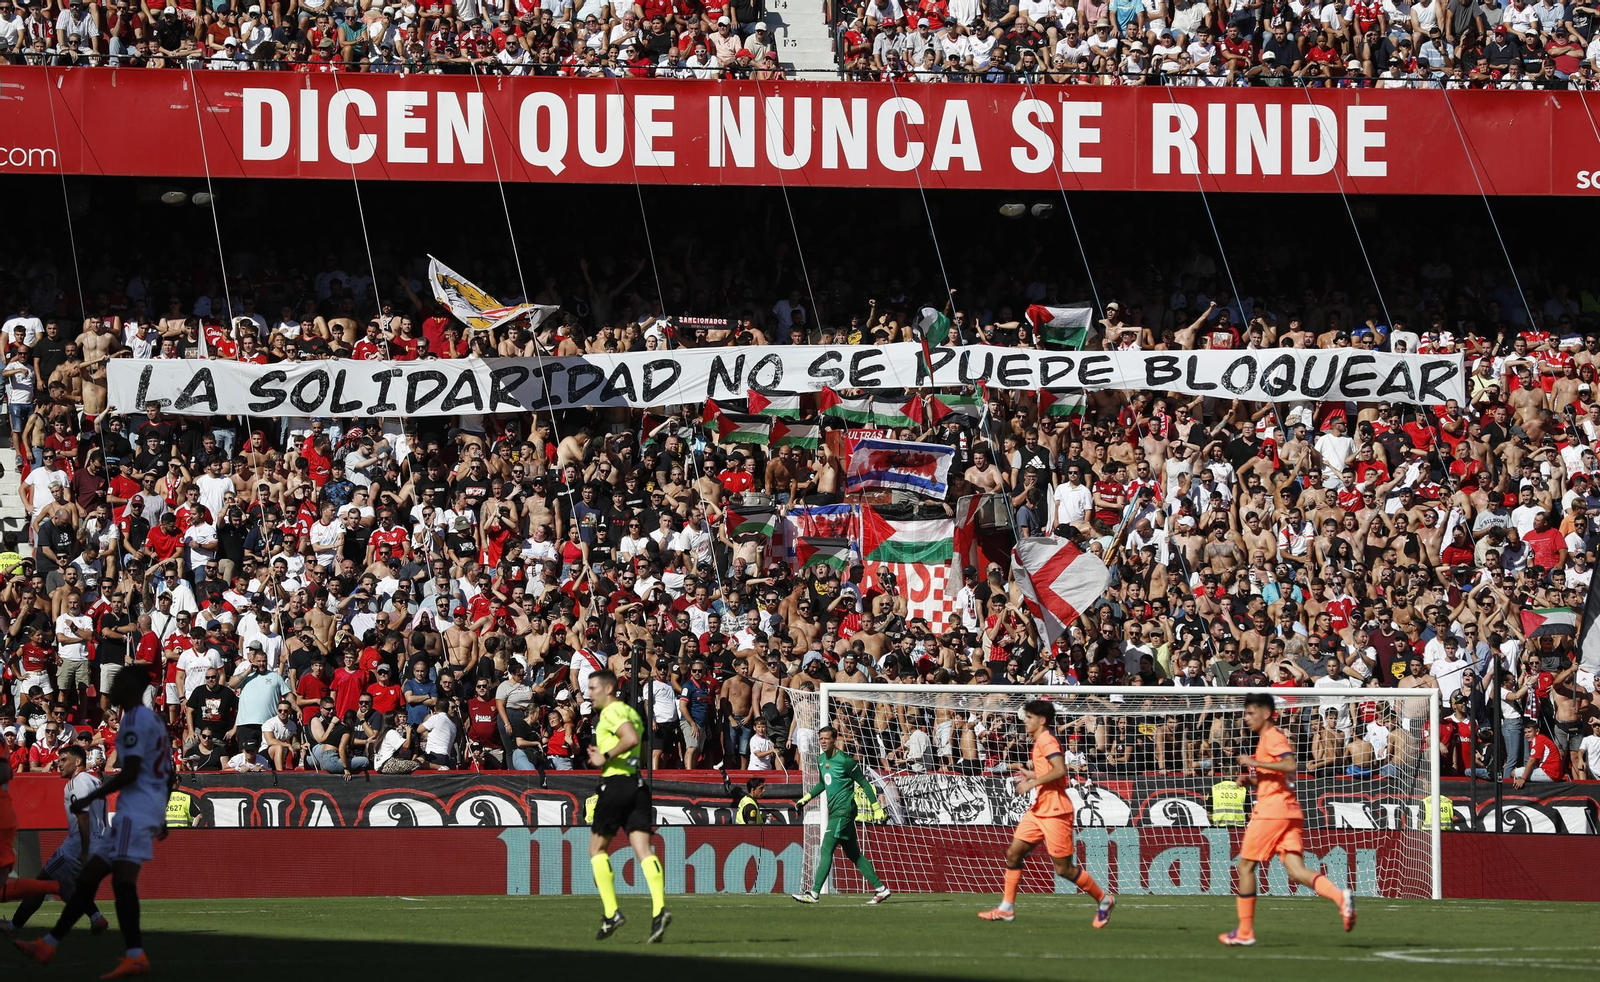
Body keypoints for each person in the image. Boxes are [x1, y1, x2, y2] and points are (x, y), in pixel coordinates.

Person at [15, 665, 170, 978]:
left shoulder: (84, 778)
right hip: (113, 834)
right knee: (82, 887)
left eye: (63, 759)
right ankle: (88, 934)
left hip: (91, 841)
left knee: (53, 881)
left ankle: (17, 928)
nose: (58, 762)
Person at [1220, 692, 1356, 947]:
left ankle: (1245, 932)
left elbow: (1291, 765)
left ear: (1266, 714)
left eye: (1251, 713)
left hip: (1272, 811)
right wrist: (1251, 779)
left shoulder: (1272, 737)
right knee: (1296, 872)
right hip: (1289, 811)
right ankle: (1341, 898)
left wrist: (1252, 761)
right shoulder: (1266, 740)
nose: (1246, 718)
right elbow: (1277, 776)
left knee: (1246, 867)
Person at [977, 700, 1114, 926]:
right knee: (1014, 853)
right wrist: (1032, 775)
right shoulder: (1040, 740)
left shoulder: (1047, 740)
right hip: (1040, 808)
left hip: (1056, 811)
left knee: (1063, 869)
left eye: (1029, 717)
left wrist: (1032, 784)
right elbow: (1055, 773)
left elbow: (1061, 770)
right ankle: (1007, 908)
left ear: (1041, 720)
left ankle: (1104, 899)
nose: (1025, 722)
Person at [585, 669, 670, 943]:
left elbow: (630, 738)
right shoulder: (633, 712)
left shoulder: (611, 712)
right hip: (637, 784)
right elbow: (639, 743)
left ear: (608, 689)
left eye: (593, 688)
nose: (589, 694)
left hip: (616, 785)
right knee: (644, 850)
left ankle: (612, 913)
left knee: (597, 849)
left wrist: (605, 756)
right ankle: (659, 911)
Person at [4, 745, 110, 936]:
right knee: (67, 886)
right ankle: (96, 918)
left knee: (41, 882)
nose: (58, 764)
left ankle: (13, 927)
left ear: (78, 762)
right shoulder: (95, 781)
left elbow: (83, 816)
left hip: (79, 845)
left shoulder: (76, 783)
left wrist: (84, 851)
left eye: (63, 760)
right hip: (101, 842)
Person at [791, 725, 892, 905]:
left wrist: (876, 807)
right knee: (854, 854)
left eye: (826, 738)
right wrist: (805, 799)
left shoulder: (845, 761)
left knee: (826, 849)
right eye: (820, 738)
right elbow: (823, 783)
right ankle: (881, 889)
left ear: (834, 740)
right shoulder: (821, 759)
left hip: (844, 811)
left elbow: (864, 783)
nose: (823, 741)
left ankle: (813, 893)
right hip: (836, 811)